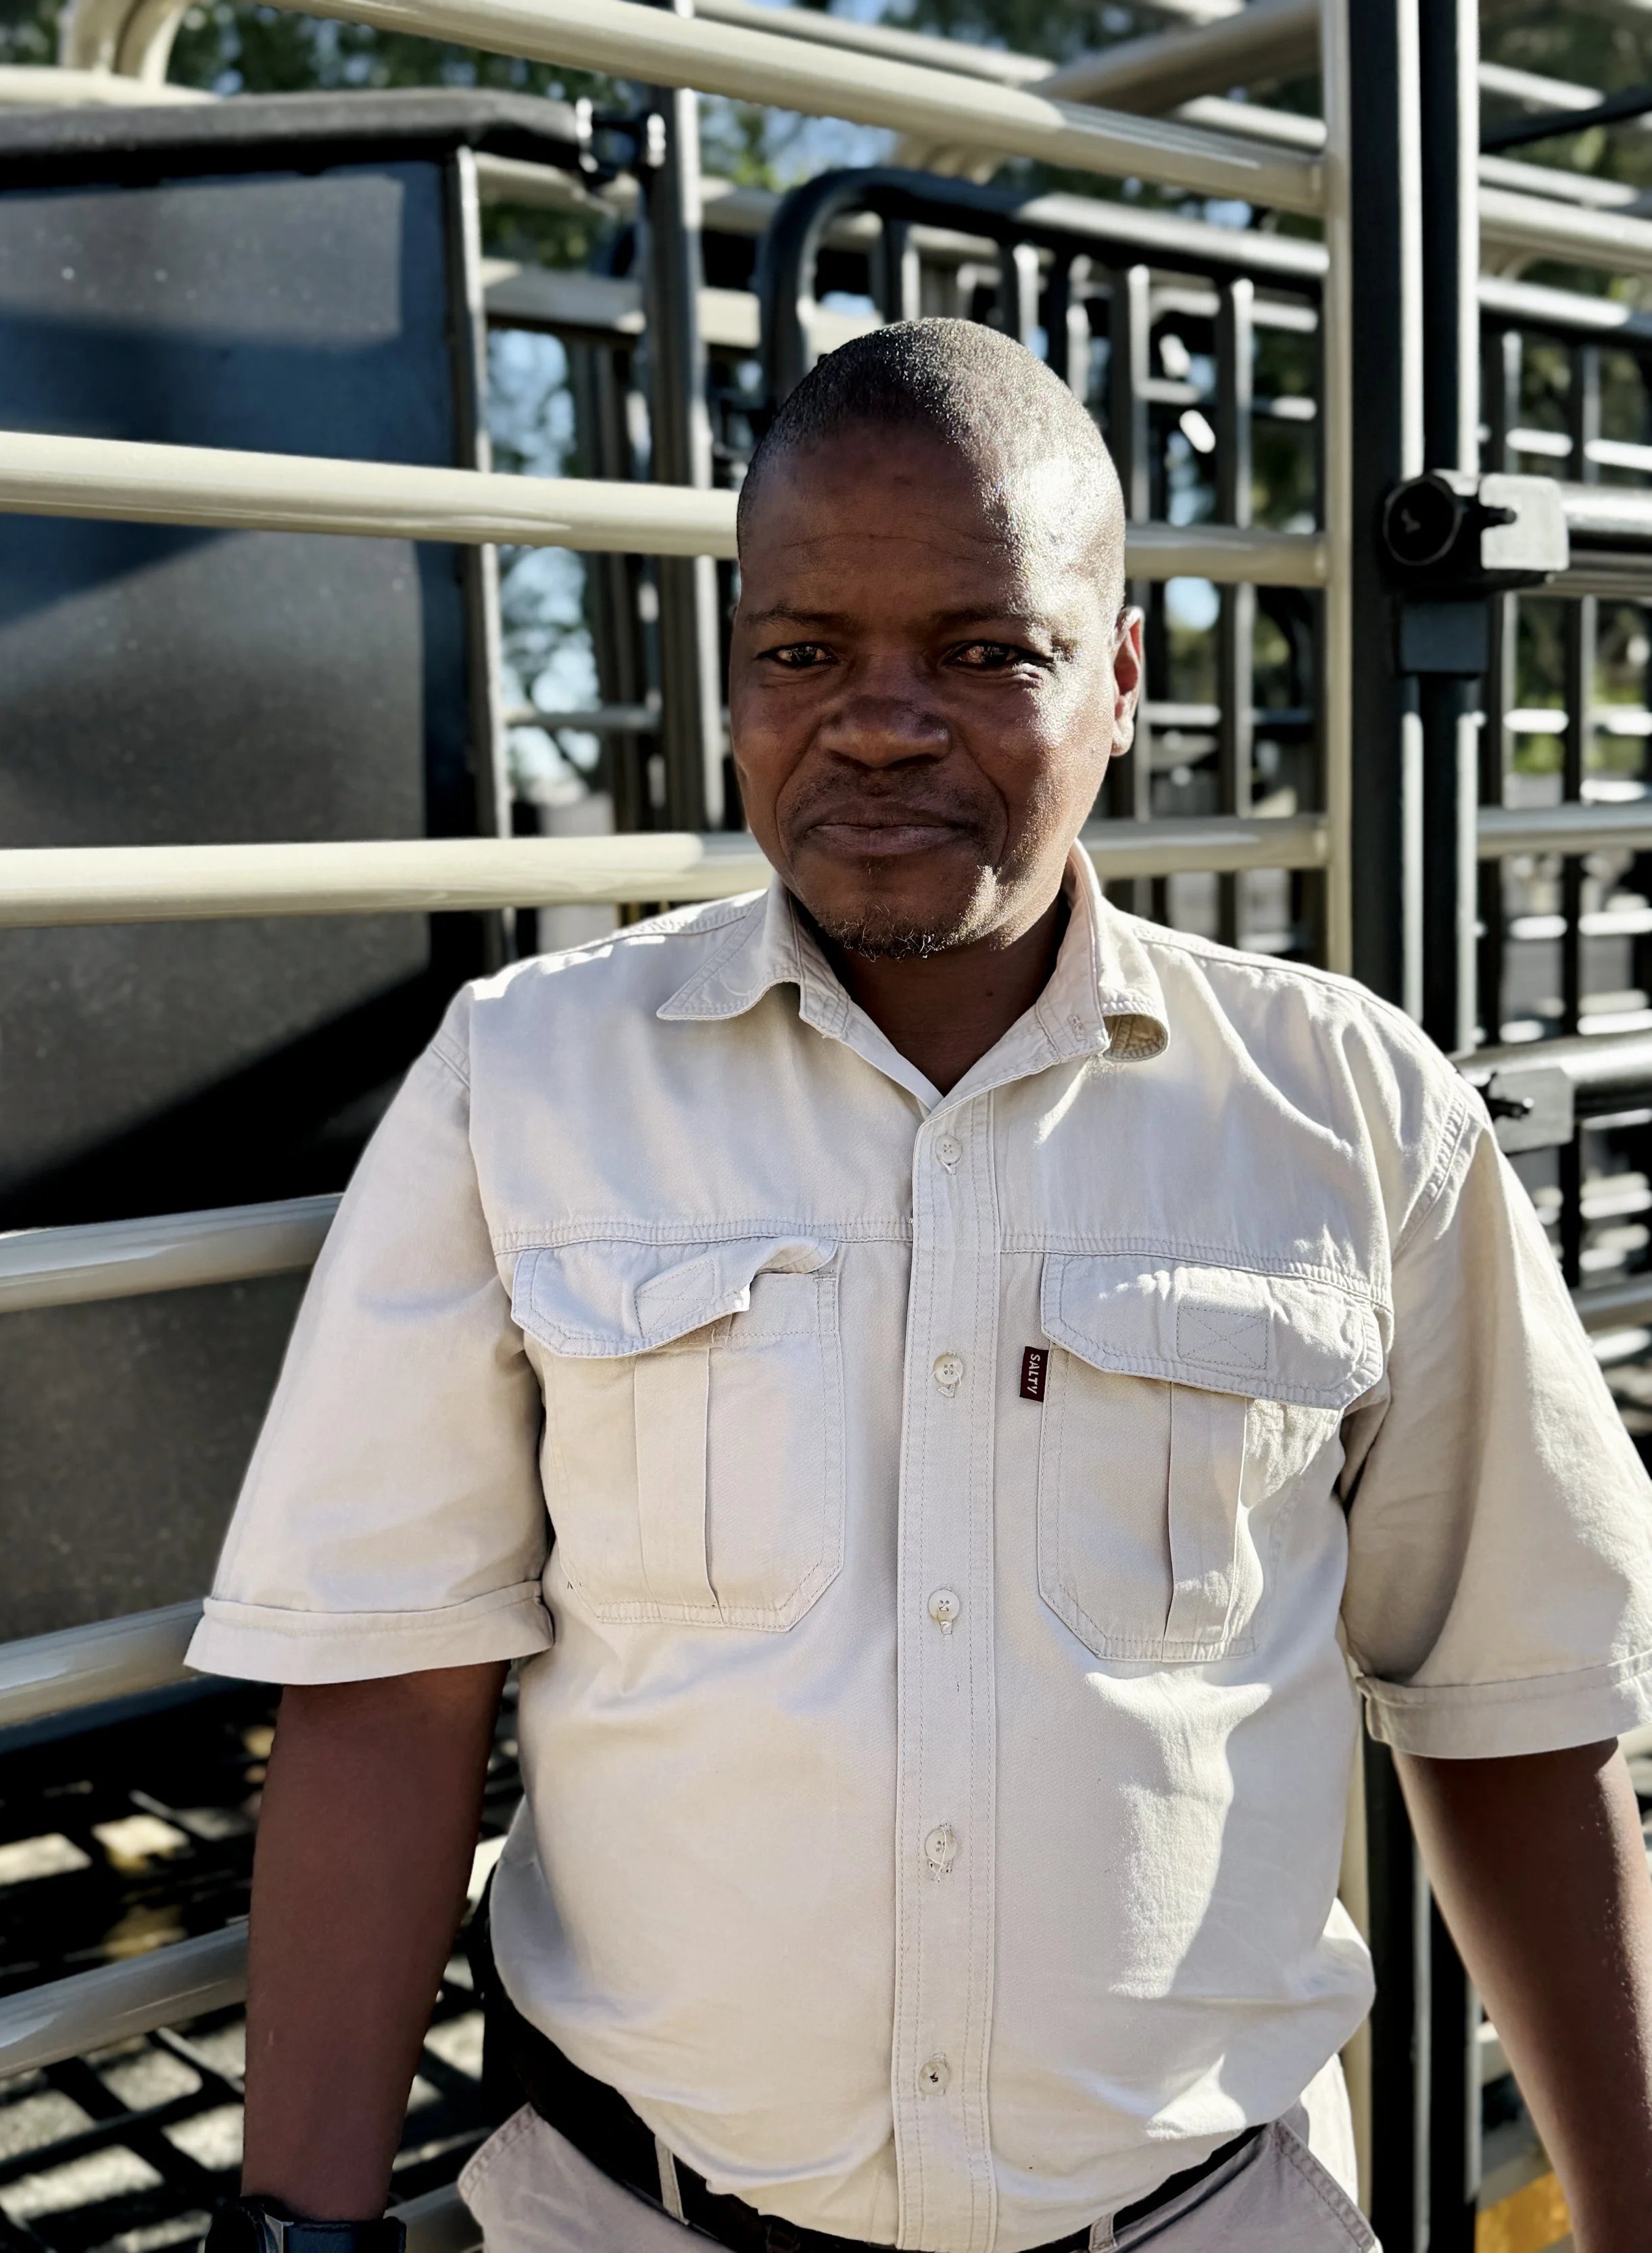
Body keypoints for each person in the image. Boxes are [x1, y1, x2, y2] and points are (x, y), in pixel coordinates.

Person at [189, 320, 1652, 2253]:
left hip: (1208, 2217)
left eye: (985, 651)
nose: (879, 719)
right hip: (628, 2218)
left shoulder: (1351, 1115)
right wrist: (293, 2235)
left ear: (1118, 679)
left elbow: (1515, 1716)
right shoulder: (522, 1082)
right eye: (805, 652)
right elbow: (384, 1686)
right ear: (734, 679)